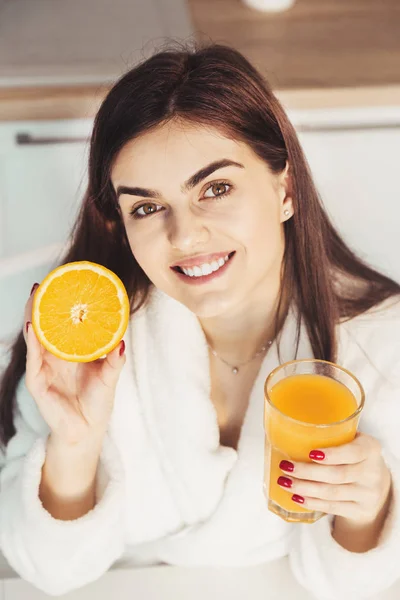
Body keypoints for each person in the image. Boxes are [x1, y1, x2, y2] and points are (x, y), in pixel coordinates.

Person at [1, 41, 400, 599]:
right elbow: (47, 571)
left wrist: (369, 509)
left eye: (215, 189)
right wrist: (74, 441)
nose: (184, 236)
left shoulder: (382, 346)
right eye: (146, 206)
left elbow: (353, 585)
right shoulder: (86, 337)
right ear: (118, 222)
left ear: (284, 188)